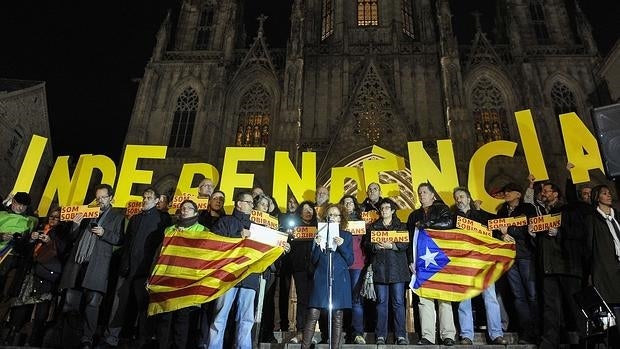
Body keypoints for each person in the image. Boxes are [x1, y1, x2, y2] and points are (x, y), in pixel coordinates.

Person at [97, 188, 171, 349]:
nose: (145, 200)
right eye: (144, 197)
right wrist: (124, 263)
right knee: (119, 306)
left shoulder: (163, 220)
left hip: (145, 272)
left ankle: (141, 341)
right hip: (127, 270)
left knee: (143, 309)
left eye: (149, 198)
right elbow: (126, 242)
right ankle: (112, 339)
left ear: (157, 201)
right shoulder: (135, 219)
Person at [58, 184, 124, 349]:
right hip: (79, 263)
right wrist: (74, 224)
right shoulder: (88, 212)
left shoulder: (118, 216)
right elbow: (73, 237)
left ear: (111, 198)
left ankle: (87, 338)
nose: (101, 200)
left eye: (104, 197)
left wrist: (105, 233)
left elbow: (120, 239)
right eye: (98, 197)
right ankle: (71, 335)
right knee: (72, 301)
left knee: (93, 303)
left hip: (99, 265)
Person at [3, 206, 69, 347]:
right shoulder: (40, 226)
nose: (53, 219)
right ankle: (13, 336)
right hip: (30, 271)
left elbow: (63, 250)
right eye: (51, 216)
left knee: (40, 308)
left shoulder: (62, 232)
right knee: (20, 304)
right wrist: (31, 239)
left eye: (57, 217)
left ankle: (33, 340)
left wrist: (50, 242)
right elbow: (23, 248)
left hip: (46, 274)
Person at [452, 187, 507, 345]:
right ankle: (467, 335)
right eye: (457, 198)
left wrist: (502, 233)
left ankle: (496, 333)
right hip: (464, 263)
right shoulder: (453, 218)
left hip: (484, 262)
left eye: (462, 196)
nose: (459, 200)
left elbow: (494, 234)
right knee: (465, 299)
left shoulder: (482, 216)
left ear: (469, 199)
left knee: (490, 297)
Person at [536, 182, 585, 349]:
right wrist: (532, 234)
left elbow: (578, 232)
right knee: (550, 307)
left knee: (574, 305)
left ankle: (584, 339)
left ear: (556, 194)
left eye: (546, 191)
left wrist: (560, 232)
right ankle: (549, 342)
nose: (543, 193)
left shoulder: (568, 210)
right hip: (549, 267)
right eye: (542, 191)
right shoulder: (541, 213)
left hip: (567, 266)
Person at [208, 192, 259, 349]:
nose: (252, 206)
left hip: (249, 277)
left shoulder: (257, 227)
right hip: (228, 276)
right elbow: (215, 244)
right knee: (220, 316)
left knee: (247, 319)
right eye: (249, 202)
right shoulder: (225, 221)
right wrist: (238, 236)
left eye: (252, 203)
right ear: (239, 204)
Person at [407, 182, 455, 345]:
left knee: (444, 298)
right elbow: (409, 240)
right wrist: (410, 260)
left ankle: (447, 335)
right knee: (424, 299)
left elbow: (448, 223)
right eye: (419, 193)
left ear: (433, 195)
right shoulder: (413, 215)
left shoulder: (442, 209)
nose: (421, 195)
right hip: (421, 261)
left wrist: (427, 224)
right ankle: (427, 336)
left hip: (440, 259)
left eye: (425, 192)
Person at [153, 200, 205, 349]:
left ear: (196, 212)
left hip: (187, 280)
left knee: (182, 319)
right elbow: (160, 254)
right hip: (167, 277)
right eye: (182, 208)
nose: (184, 210)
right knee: (165, 317)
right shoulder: (169, 230)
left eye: (189, 208)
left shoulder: (203, 230)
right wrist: (153, 275)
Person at [301, 203, 353, 349]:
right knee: (313, 314)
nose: (333, 217)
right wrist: (316, 245)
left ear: (341, 218)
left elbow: (350, 260)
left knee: (337, 316)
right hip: (322, 276)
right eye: (330, 215)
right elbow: (314, 260)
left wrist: (342, 245)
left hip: (339, 278)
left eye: (336, 215)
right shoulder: (320, 232)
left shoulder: (346, 235)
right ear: (326, 217)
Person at [495, 182, 538, 344]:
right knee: (518, 296)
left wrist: (509, 231)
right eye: (505, 192)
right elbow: (496, 231)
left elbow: (532, 228)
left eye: (509, 191)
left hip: (525, 255)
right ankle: (526, 332)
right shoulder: (501, 211)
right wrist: (501, 236)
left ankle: (537, 330)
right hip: (509, 258)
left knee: (532, 294)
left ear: (518, 194)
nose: (506, 194)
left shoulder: (528, 209)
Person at [367, 198, 410, 345]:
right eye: (382, 208)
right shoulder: (373, 227)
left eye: (387, 208)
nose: (384, 210)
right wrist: (376, 247)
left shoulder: (401, 226)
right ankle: (380, 335)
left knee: (398, 303)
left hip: (397, 270)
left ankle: (401, 335)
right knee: (381, 303)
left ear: (392, 210)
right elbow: (367, 245)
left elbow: (405, 244)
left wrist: (391, 245)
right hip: (380, 269)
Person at [584, 185, 620, 344]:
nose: (609, 195)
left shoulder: (616, 216)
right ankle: (607, 341)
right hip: (603, 268)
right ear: (597, 197)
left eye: (609, 193)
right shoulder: (592, 218)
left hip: (617, 266)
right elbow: (588, 246)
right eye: (604, 193)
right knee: (606, 306)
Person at [287, 200, 318, 344]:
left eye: (311, 209)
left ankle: (310, 333)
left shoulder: (319, 228)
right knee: (302, 300)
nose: (308, 212)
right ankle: (300, 331)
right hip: (299, 267)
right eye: (305, 209)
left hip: (316, 268)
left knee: (314, 301)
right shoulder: (294, 228)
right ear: (300, 212)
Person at [339, 194, 367, 344]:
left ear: (355, 206)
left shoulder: (362, 223)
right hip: (341, 265)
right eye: (345, 202)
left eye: (351, 202)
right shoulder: (338, 223)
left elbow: (366, 244)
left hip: (357, 265)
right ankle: (341, 331)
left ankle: (357, 333)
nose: (348, 204)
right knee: (341, 300)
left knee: (356, 300)